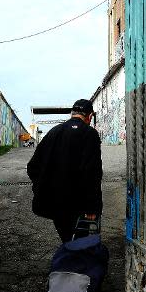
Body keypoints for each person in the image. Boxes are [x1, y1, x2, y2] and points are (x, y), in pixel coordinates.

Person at [27, 99, 103, 242]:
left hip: (56, 204)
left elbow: (33, 167)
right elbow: (92, 173)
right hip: (80, 205)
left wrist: (42, 188)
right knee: (81, 243)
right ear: (90, 116)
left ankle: (69, 260)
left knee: (67, 239)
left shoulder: (54, 132)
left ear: (72, 113)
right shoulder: (90, 134)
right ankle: (75, 261)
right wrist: (93, 207)